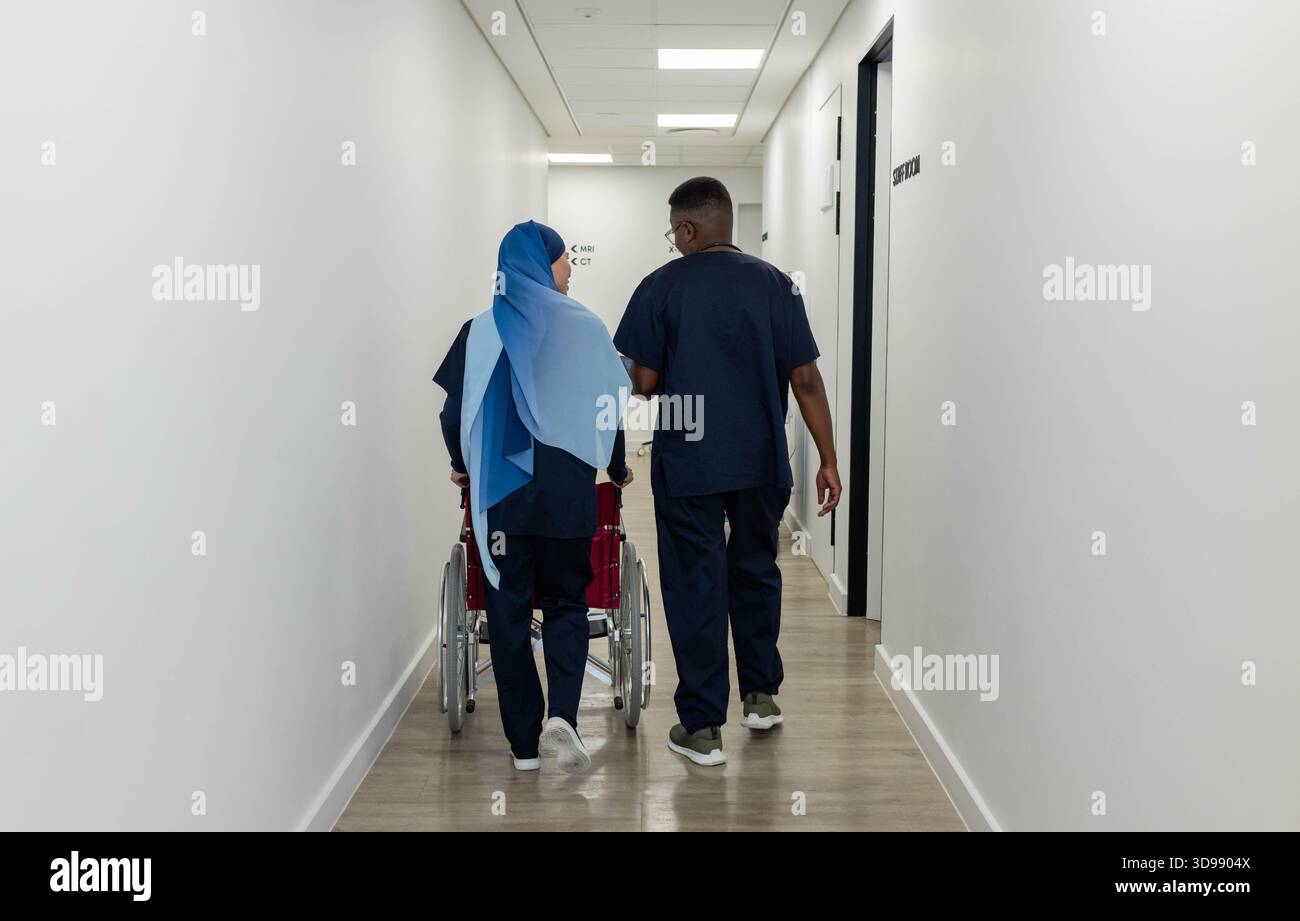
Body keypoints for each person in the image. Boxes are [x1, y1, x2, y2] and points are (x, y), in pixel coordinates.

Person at [614, 177, 841, 766]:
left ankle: (703, 727)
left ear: (688, 229)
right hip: (762, 461)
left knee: (695, 584)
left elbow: (644, 384)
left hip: (690, 463)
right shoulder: (777, 285)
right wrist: (830, 460)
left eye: (674, 232)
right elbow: (807, 380)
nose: (674, 242)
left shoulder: (660, 287)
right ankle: (762, 697)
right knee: (756, 570)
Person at [434, 220, 632, 774]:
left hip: (501, 500)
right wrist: (615, 469)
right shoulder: (588, 330)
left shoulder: (477, 332)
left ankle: (523, 748)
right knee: (568, 601)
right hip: (567, 496)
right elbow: (609, 411)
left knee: (508, 613)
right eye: (566, 260)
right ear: (543, 266)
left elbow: (453, 413)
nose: (571, 271)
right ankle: (562, 718)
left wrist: (460, 464)